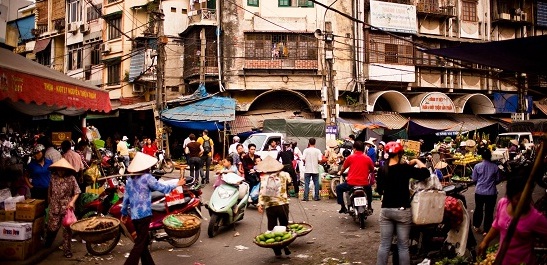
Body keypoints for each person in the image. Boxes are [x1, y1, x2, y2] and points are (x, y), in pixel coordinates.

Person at [121, 152, 186, 265]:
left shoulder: (130, 179)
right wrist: (177, 184)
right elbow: (162, 188)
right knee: (140, 243)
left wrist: (124, 213)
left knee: (143, 242)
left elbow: (126, 198)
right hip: (144, 215)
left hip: (134, 216)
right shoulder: (147, 178)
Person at [375, 141, 430, 265]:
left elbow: (379, 191)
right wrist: (416, 161)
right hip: (402, 211)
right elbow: (426, 174)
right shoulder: (405, 168)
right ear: (399, 154)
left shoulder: (382, 169)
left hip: (386, 211)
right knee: (403, 247)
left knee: (384, 245)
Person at [478, 176, 547, 265]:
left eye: (526, 197)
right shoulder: (503, 203)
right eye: (518, 199)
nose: (523, 202)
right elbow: (496, 225)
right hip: (502, 260)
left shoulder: (535, 218)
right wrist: (485, 241)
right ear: (510, 197)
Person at [256, 156, 292, 257]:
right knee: (284, 226)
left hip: (270, 206)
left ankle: (277, 251)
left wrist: (260, 204)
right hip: (282, 204)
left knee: (272, 228)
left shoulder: (264, 178)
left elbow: (262, 192)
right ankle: (285, 245)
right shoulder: (285, 175)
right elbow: (289, 181)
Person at [44, 158, 81, 258]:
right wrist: (49, 203)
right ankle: (47, 244)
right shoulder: (53, 177)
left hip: (66, 207)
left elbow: (77, 192)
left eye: (62, 169)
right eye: (59, 169)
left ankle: (67, 250)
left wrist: (72, 202)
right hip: (54, 206)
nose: (61, 171)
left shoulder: (71, 178)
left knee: (67, 231)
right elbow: (50, 192)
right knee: (52, 227)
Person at [336, 141, 375, 213]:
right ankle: (369, 206)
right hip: (364, 184)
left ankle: (343, 207)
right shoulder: (367, 158)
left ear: (354, 149)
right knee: (369, 190)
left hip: (351, 183)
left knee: (338, 188)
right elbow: (372, 169)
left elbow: (343, 168)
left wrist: (340, 173)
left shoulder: (350, 157)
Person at [471, 150, 501, 235]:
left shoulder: (477, 166)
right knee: (489, 211)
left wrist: (480, 183)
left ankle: (476, 226)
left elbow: (474, 179)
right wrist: (491, 183)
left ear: (482, 156)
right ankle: (486, 230)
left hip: (479, 192)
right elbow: (498, 179)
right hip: (491, 193)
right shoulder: (495, 167)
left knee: (478, 208)